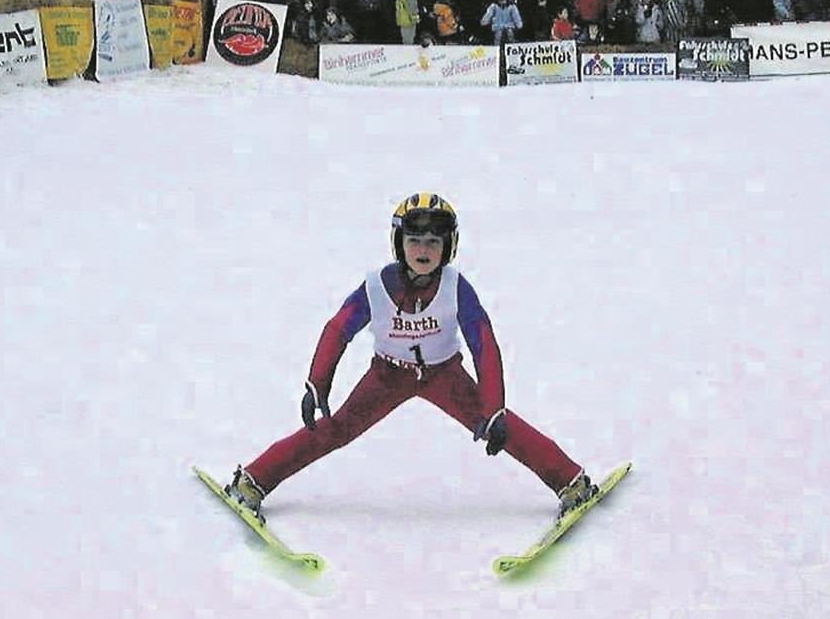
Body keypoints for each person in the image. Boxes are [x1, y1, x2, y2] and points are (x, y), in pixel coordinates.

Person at [225, 193, 597, 522]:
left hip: (444, 377)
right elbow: (338, 329)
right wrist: (316, 383)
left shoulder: (455, 287)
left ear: (449, 246)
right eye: (415, 240)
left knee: (497, 424)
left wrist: (494, 406)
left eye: (434, 242)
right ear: (398, 244)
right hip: (387, 377)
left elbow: (484, 344)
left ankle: (570, 482)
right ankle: (253, 481)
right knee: (333, 430)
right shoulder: (377, 286)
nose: (423, 249)